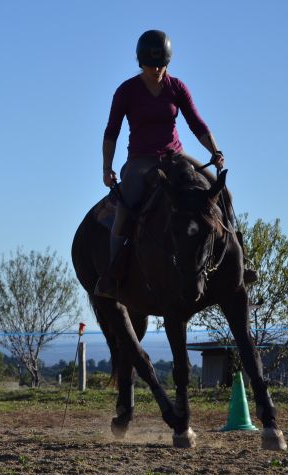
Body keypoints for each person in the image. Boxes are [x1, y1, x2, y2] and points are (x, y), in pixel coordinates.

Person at [96, 29, 232, 298]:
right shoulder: (126, 91)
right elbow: (111, 131)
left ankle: (236, 259)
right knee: (126, 207)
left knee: (221, 190)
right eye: (152, 65)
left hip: (176, 157)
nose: (158, 69)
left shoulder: (177, 87)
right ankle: (113, 274)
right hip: (140, 161)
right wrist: (106, 167)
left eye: (162, 64)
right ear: (140, 63)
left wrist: (215, 150)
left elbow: (196, 123)